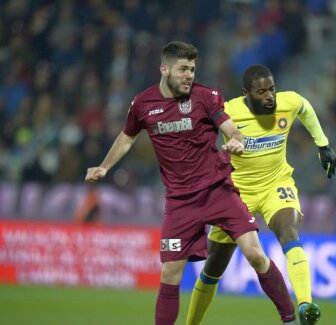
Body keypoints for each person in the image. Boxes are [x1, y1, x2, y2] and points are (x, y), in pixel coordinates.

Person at [84, 42, 296, 325]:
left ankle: (289, 319)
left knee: (256, 254)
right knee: (170, 274)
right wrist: (104, 166)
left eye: (192, 70)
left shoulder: (206, 97)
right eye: (183, 69)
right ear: (164, 69)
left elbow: (233, 130)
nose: (189, 75)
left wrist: (236, 140)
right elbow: (127, 137)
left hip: (218, 192)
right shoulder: (143, 104)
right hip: (180, 202)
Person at [186, 64, 336, 325]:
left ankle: (305, 305)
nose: (269, 96)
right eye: (262, 92)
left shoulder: (286, 103)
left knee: (289, 232)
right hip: (235, 193)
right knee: (212, 268)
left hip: (275, 185)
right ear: (247, 93)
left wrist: (323, 145)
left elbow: (304, 107)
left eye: (272, 89)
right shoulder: (229, 111)